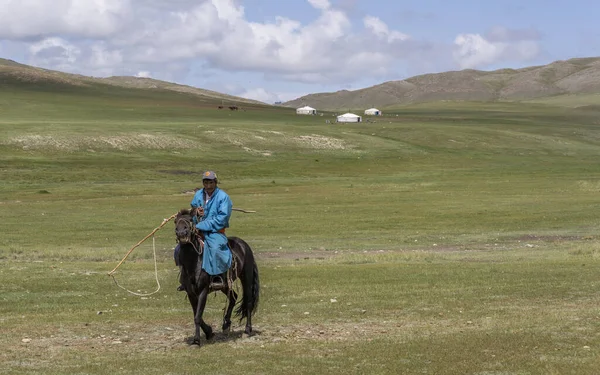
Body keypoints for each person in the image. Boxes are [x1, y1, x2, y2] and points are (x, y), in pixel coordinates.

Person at [174, 170, 233, 291]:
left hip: (215, 232)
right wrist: (196, 212)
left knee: (215, 248)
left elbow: (222, 218)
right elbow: (192, 211)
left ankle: (218, 277)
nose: (208, 185)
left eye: (210, 182)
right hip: (198, 230)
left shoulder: (223, 197)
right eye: (205, 182)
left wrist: (203, 225)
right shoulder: (199, 194)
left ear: (215, 182)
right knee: (179, 249)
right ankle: (185, 278)